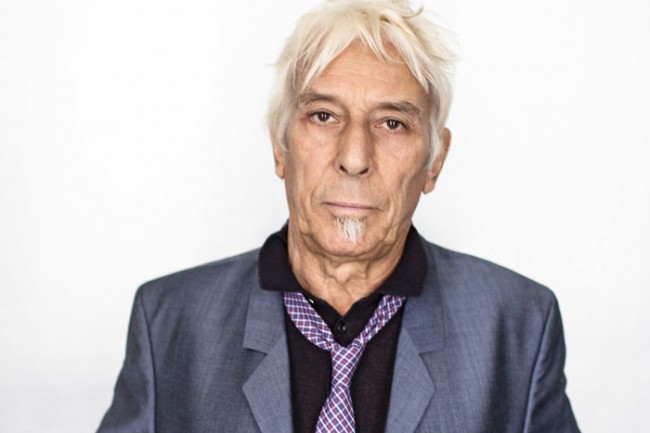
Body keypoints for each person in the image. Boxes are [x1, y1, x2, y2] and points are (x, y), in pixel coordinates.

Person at [97, 0, 580, 432]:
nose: (354, 157)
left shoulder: (519, 325)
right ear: (279, 146)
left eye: (392, 123)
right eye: (323, 116)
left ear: (435, 160)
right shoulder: (169, 322)